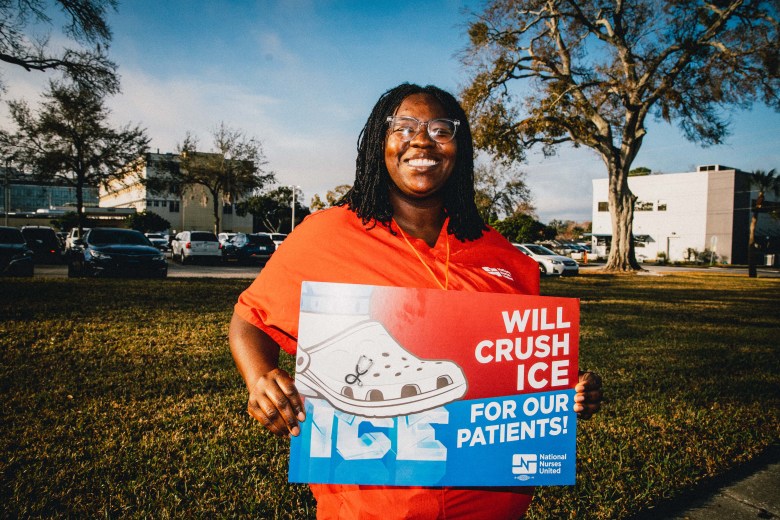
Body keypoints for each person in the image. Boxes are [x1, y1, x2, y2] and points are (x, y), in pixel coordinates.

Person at [229, 83, 603, 519]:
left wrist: (569, 390)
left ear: (458, 149)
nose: (422, 141)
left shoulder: (506, 258)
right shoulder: (326, 234)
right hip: (368, 505)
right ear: (378, 143)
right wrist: (261, 380)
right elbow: (250, 318)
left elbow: (518, 362)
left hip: (491, 504)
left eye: (441, 130)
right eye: (403, 127)